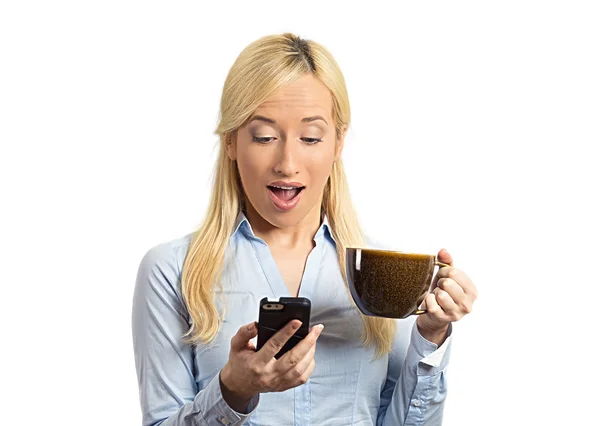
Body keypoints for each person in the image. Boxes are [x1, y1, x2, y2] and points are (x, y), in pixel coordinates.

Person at [132, 32, 478, 426]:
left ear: (338, 142)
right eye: (263, 137)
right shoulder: (172, 270)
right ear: (231, 142)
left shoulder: (378, 274)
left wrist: (430, 335)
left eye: (311, 137)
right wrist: (233, 390)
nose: (287, 162)